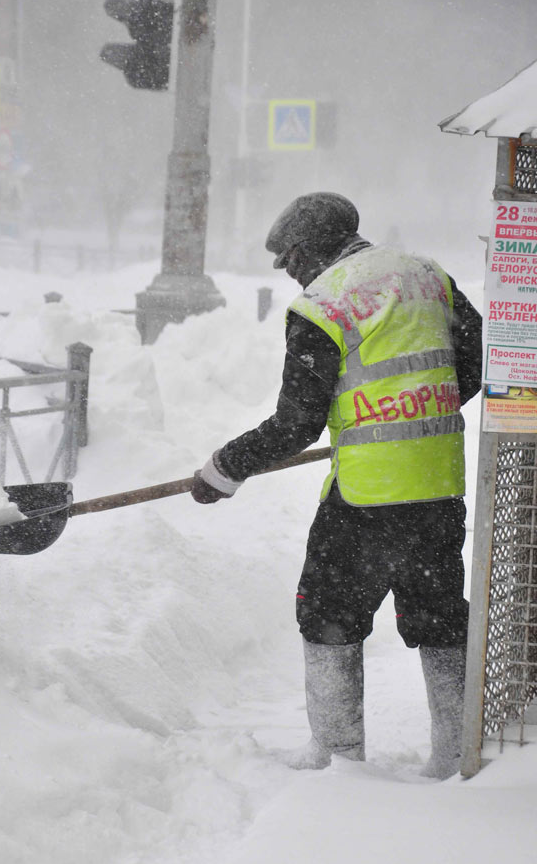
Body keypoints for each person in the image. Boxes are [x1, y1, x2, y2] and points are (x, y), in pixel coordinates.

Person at [191, 192, 482, 780]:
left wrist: (224, 469)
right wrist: (408, 416)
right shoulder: (428, 276)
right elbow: (471, 365)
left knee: (328, 615)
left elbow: (297, 422)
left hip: (367, 498)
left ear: (318, 245)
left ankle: (337, 755)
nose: (286, 268)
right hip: (438, 486)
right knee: (440, 617)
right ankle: (455, 755)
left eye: (291, 254)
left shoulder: (322, 305)